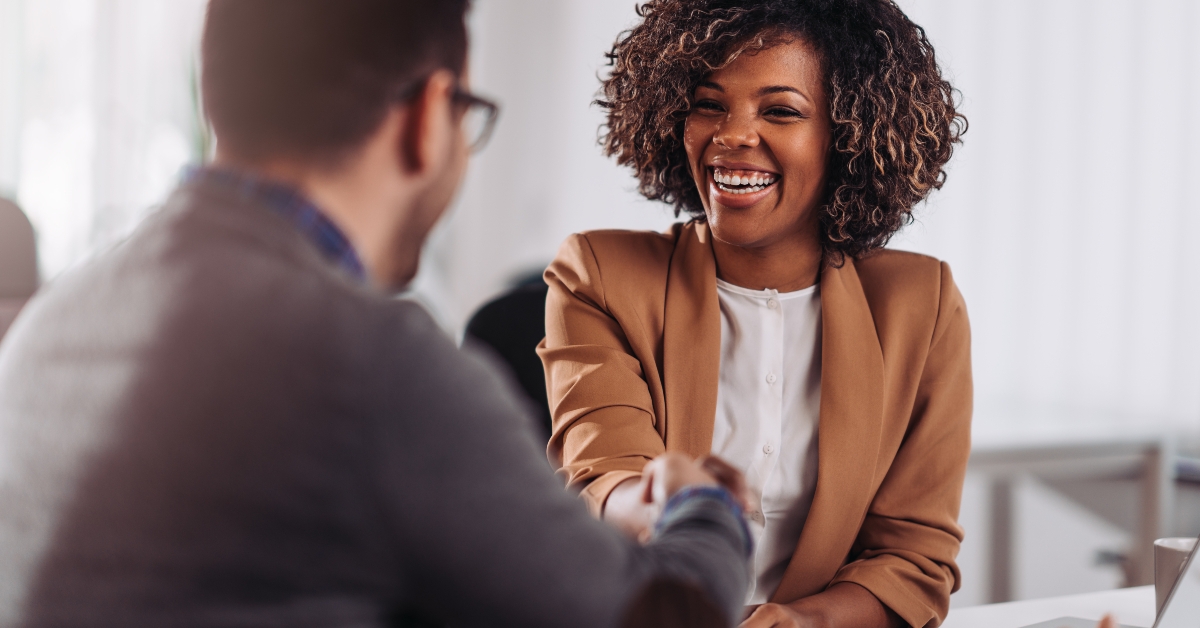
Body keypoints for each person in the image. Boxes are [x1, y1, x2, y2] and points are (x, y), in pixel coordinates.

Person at [0, 1, 754, 626]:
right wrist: (705, 507)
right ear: (430, 114)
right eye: (468, 114)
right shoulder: (371, 362)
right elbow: (660, 615)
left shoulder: (51, 323)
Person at [540, 1, 970, 627]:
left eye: (780, 111)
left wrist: (802, 623)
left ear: (846, 135)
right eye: (710, 104)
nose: (732, 135)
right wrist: (668, 500)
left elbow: (913, 558)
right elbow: (605, 476)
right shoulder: (600, 275)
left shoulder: (919, 305)